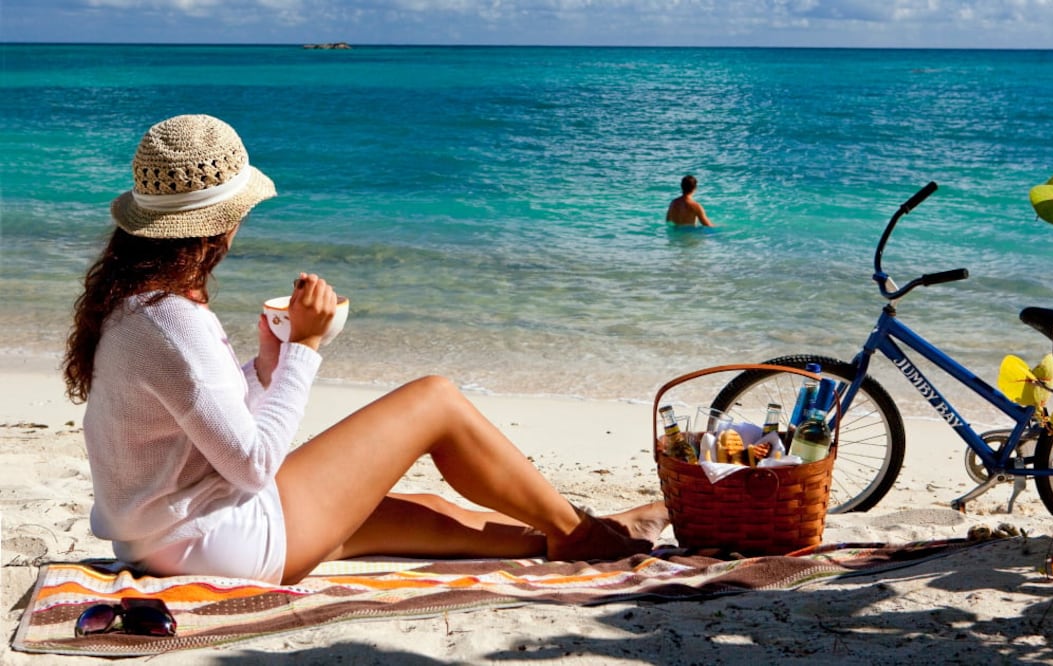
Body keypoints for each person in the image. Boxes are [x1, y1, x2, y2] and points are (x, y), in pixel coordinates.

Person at [62, 114, 669, 586]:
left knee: (420, 510)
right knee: (435, 400)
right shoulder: (173, 319)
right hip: (215, 540)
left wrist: (267, 366)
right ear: (225, 221)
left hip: (165, 536)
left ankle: (558, 539)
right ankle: (580, 531)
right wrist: (304, 349)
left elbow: (196, 417)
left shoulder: (136, 302)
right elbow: (251, 463)